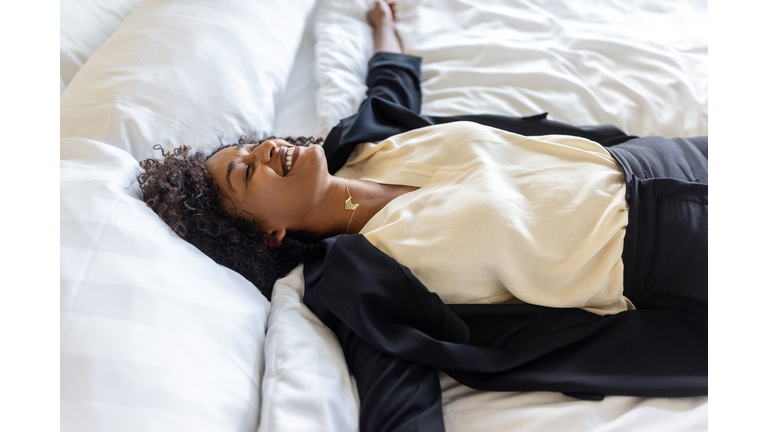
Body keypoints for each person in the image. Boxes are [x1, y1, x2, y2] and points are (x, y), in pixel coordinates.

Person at [139, 1, 707, 430]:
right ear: (267, 234)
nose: (261, 150)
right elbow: (398, 394)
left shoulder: (365, 141)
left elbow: (392, 88)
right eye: (244, 172)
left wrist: (383, 29)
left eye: (248, 146)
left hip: (666, 159)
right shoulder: (357, 280)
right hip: (677, 258)